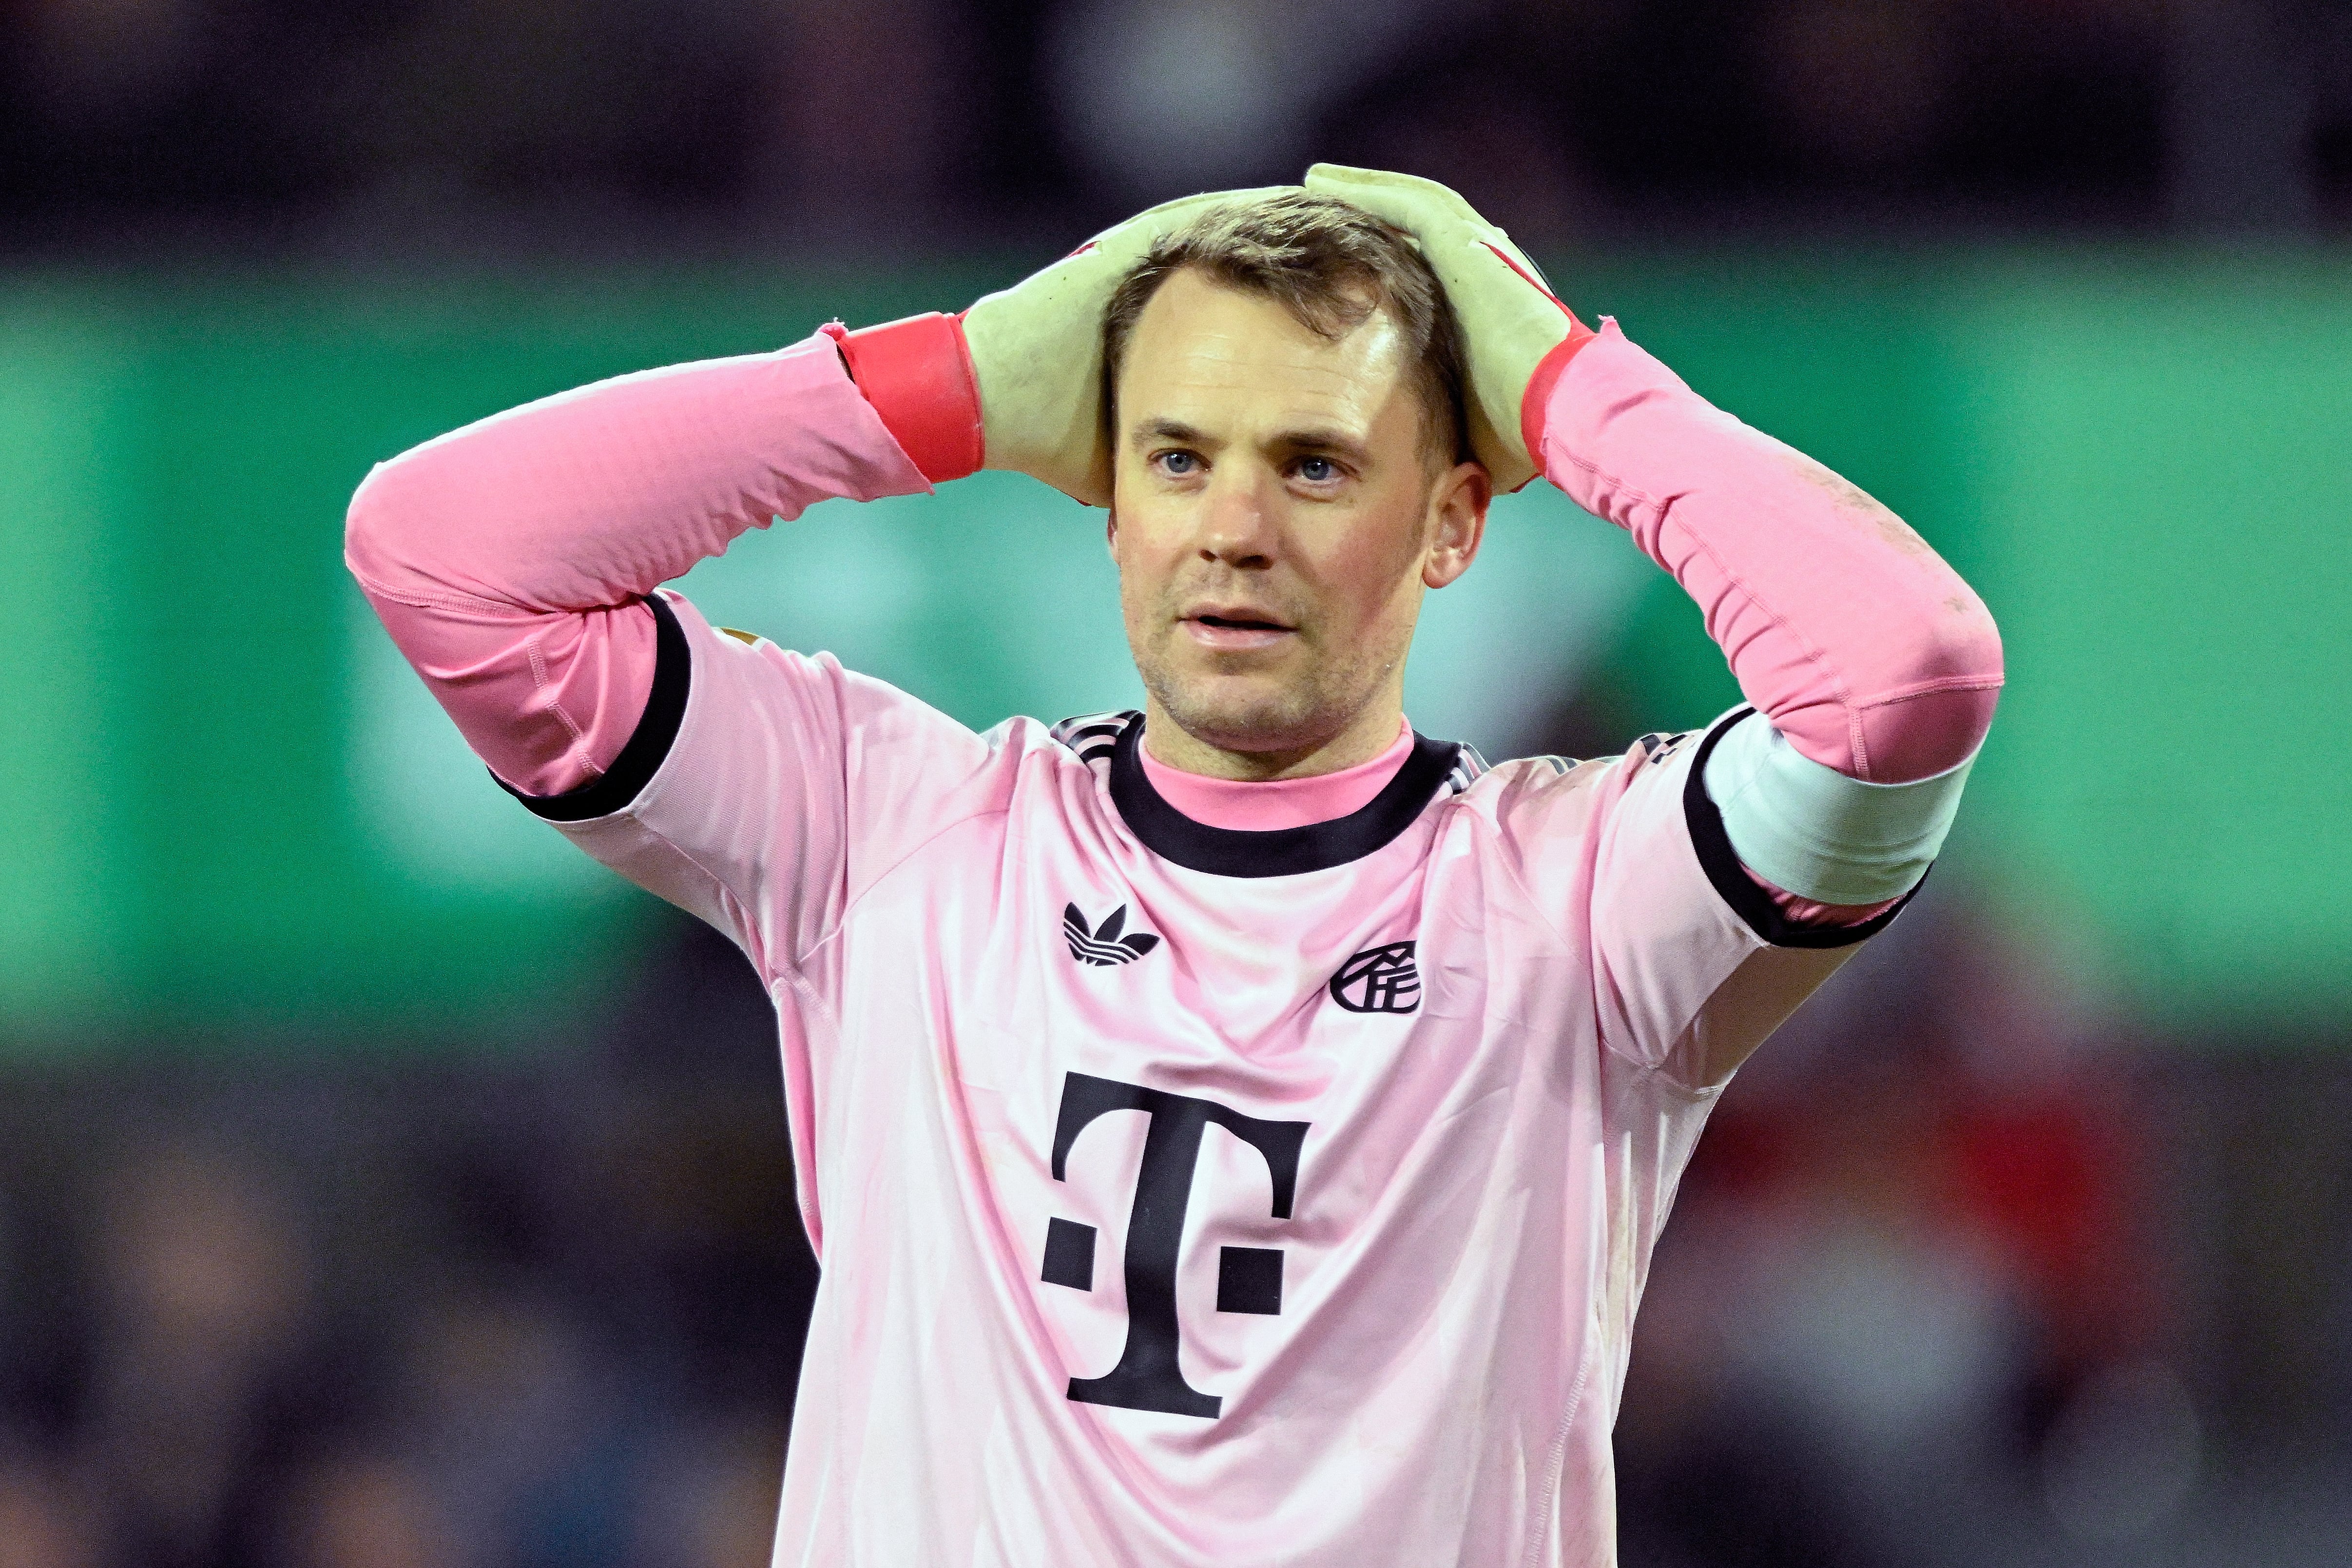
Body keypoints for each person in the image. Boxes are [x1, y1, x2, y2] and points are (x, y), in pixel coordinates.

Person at [344, 166, 2002, 1566]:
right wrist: (946, 382)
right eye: (1178, 457)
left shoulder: (1580, 901)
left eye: (1316, 464)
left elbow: (1899, 677)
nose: (1234, 528)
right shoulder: (887, 831)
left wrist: (1563, 385)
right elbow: (442, 558)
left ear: (1452, 521)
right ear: (1108, 503)